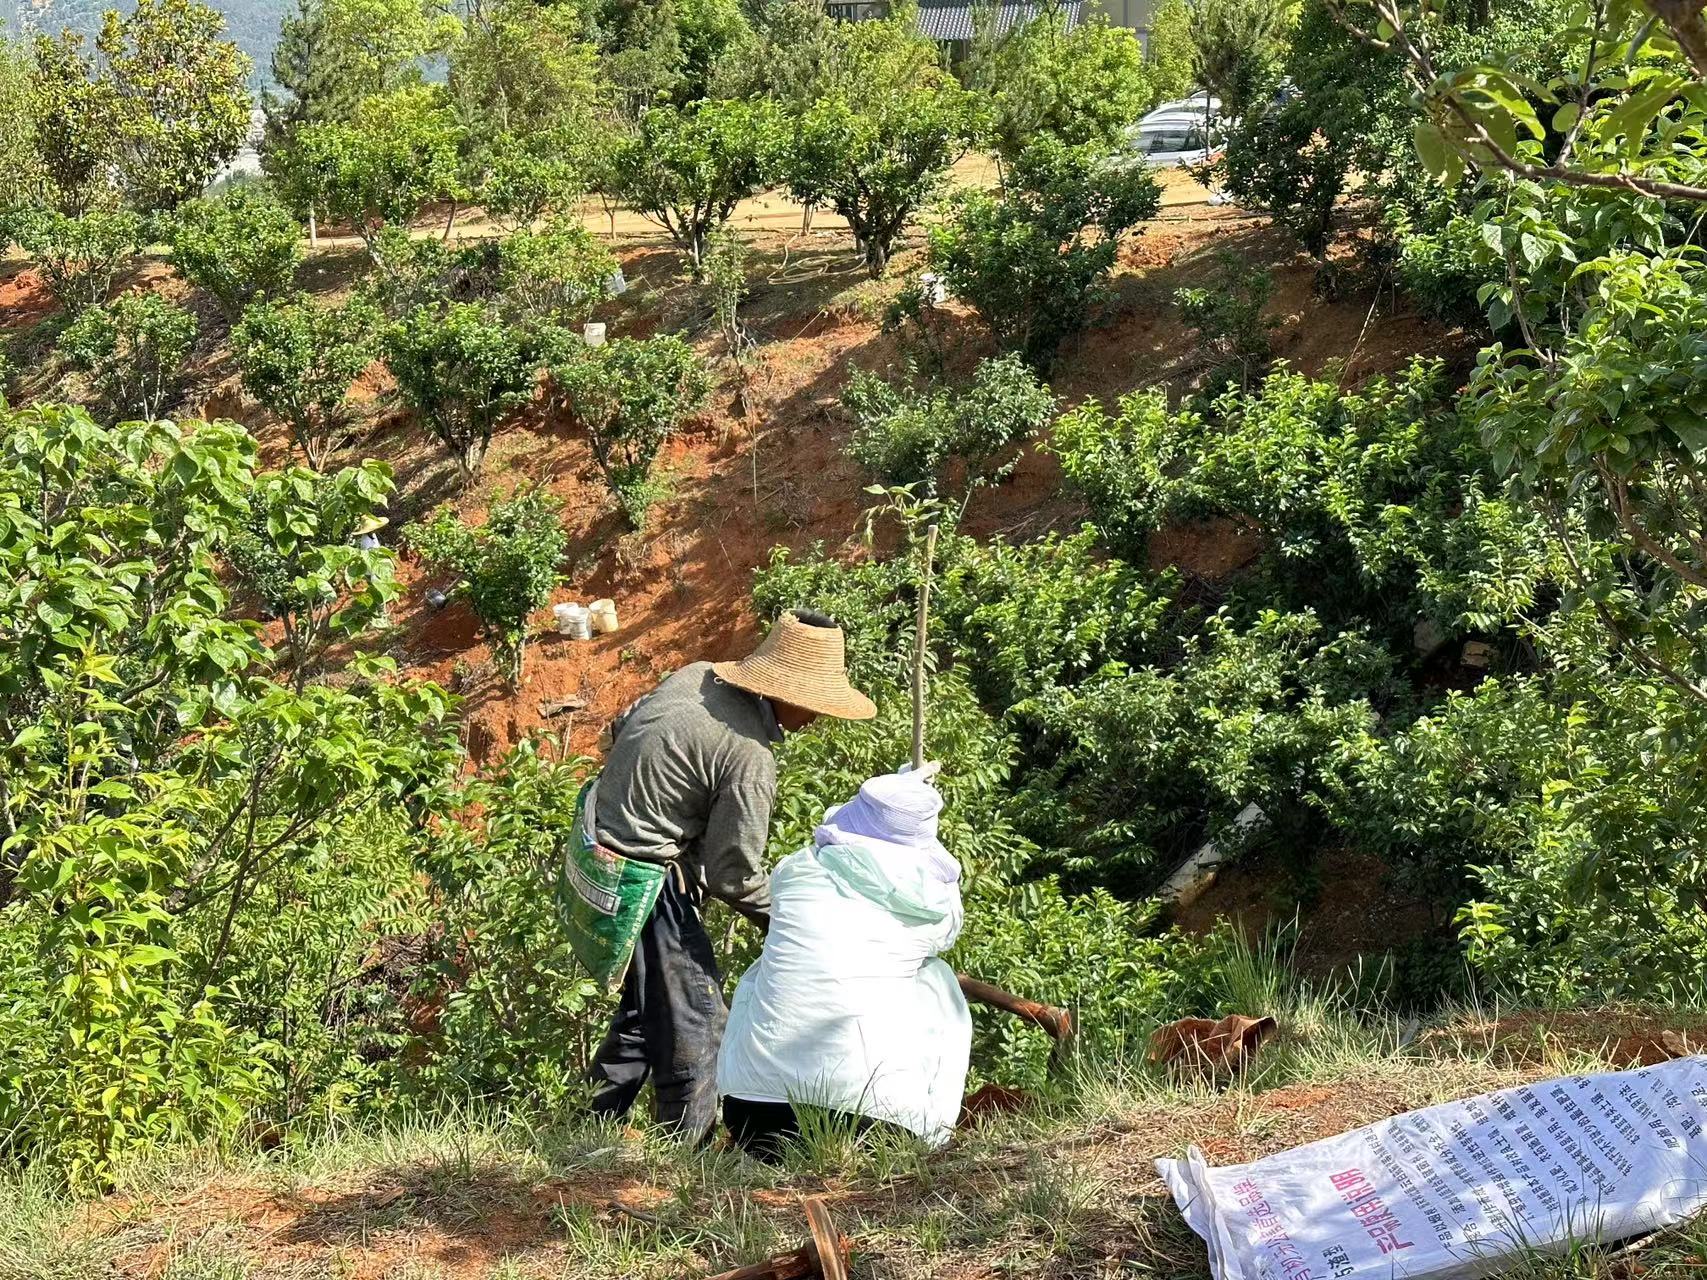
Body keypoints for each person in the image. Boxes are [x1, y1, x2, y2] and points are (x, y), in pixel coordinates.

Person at [576, 610, 876, 1141]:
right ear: (791, 695)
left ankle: (590, 1124)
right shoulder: (749, 757)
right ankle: (688, 1154)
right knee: (699, 1020)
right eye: (816, 705)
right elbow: (733, 876)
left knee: (648, 1010)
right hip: (642, 874)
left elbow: (626, 725)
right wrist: (792, 921)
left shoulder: (696, 674)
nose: (819, 717)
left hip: (597, 846)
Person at [716, 768, 973, 1160]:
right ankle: (934, 1131)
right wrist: (908, 807)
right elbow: (946, 924)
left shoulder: (795, 871)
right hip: (880, 1127)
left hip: (754, 1117)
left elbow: (836, 840)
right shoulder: (933, 906)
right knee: (936, 979)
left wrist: (894, 793)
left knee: (761, 971)